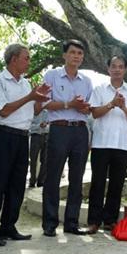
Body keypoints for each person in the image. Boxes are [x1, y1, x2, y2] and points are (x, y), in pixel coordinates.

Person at [0, 44, 51, 246]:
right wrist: (30, 96)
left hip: (22, 136)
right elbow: (3, 111)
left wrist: (40, 98)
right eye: (26, 58)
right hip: (4, 135)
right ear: (13, 59)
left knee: (17, 185)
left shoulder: (25, 84)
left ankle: (8, 226)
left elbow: (34, 112)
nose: (29, 62)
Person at [41, 40, 93, 237]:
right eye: (72, 52)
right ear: (64, 55)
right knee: (53, 176)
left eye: (80, 53)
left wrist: (83, 107)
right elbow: (45, 103)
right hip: (59, 129)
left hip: (80, 131)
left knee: (77, 178)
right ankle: (50, 223)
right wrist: (68, 104)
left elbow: (89, 108)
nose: (76, 56)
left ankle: (71, 222)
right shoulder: (52, 76)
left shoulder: (87, 81)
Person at [87, 55, 127, 234]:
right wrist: (112, 103)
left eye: (121, 66)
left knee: (117, 184)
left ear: (125, 69)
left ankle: (110, 220)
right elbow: (95, 113)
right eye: (114, 66)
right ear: (108, 69)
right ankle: (93, 221)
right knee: (97, 183)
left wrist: (123, 107)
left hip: (123, 145)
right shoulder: (99, 89)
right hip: (101, 143)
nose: (117, 69)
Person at [28, 108, 49, 187]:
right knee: (33, 159)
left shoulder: (48, 113)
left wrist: (46, 126)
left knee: (45, 160)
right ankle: (32, 180)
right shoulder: (32, 112)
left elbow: (50, 125)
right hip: (35, 136)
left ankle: (41, 181)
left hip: (46, 136)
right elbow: (29, 126)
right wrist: (39, 125)